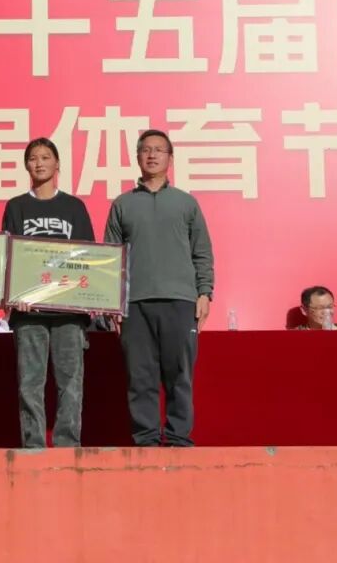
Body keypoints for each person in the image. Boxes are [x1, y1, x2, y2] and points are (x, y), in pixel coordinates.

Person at [105, 129, 214, 447]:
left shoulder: (186, 203)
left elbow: (202, 252)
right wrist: (113, 300)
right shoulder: (123, 204)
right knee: (140, 377)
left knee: (180, 374)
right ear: (137, 157)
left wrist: (204, 292)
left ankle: (179, 438)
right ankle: (147, 440)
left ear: (170, 158)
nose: (152, 155)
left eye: (159, 150)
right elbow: (111, 257)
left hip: (180, 301)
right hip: (135, 303)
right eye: (146, 150)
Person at [2, 138, 95, 448]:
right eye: (33, 158)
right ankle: (33, 445)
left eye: (45, 157)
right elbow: (9, 255)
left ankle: (68, 445)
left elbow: (87, 256)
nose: (39, 163)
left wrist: (85, 297)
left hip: (69, 311)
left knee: (71, 382)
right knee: (30, 383)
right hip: (29, 311)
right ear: (26, 166)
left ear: (57, 164)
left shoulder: (74, 207)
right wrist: (16, 294)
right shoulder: (16, 206)